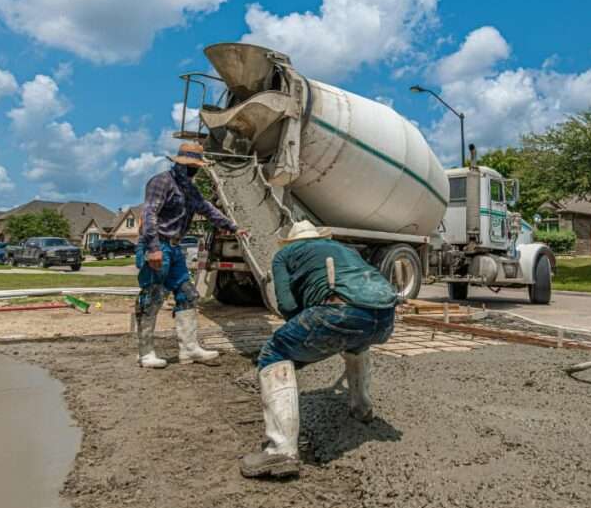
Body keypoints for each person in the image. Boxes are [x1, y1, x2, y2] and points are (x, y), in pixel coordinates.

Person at [239, 221, 399, 479]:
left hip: (340, 311)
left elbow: (286, 303)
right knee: (356, 344)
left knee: (273, 352)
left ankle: (281, 451)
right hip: (385, 318)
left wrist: (303, 332)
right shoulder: (343, 248)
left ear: (291, 241)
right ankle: (361, 408)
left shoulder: (284, 255)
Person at [135, 142, 247, 369]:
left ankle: (189, 348)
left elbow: (207, 209)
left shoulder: (190, 189)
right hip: (158, 245)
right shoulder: (162, 182)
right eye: (190, 166)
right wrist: (154, 248)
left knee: (187, 293)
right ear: (179, 164)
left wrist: (234, 228)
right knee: (153, 296)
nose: (193, 170)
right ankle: (145, 353)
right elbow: (149, 214)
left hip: (175, 248)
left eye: (195, 166)